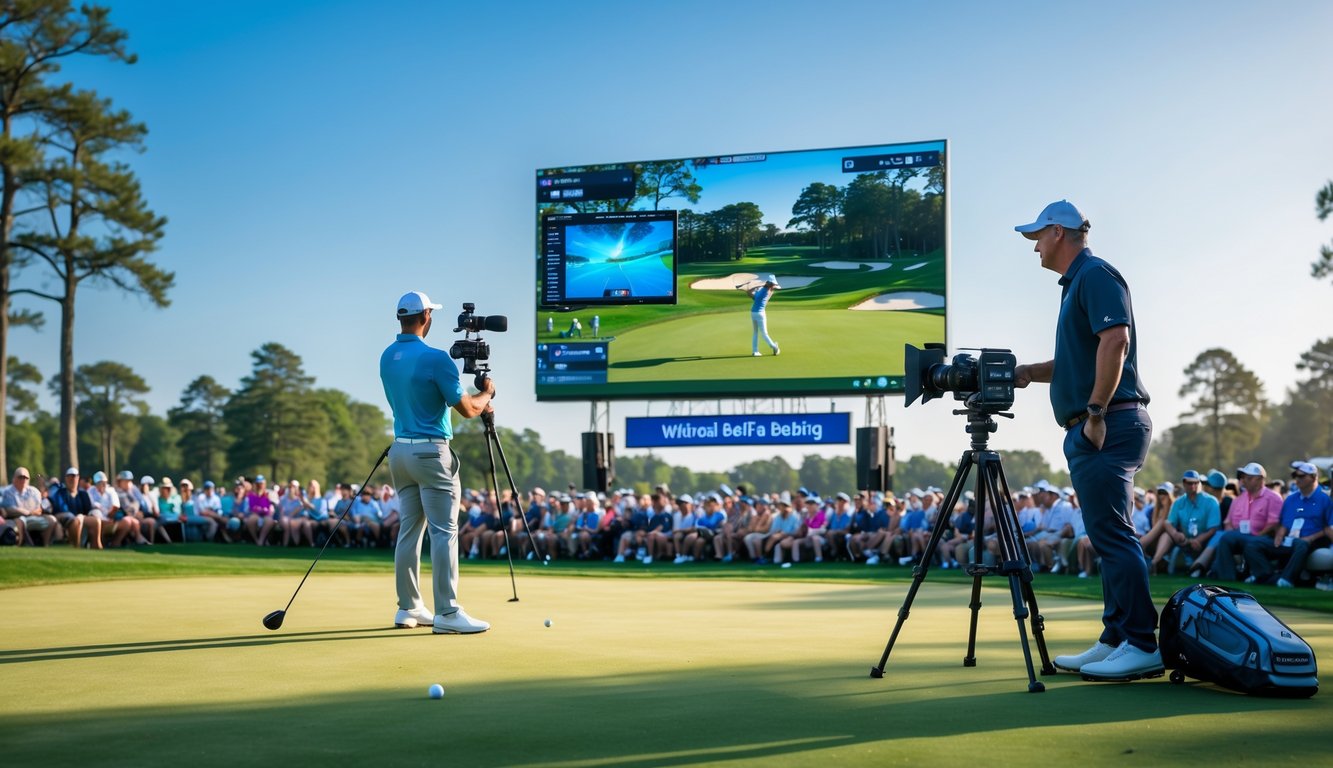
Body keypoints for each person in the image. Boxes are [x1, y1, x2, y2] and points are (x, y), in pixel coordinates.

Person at [1012, 200, 1160, 682]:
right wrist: (1029, 372)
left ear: (1059, 232)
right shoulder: (1076, 283)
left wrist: (1095, 412)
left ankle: (1142, 642)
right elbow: (1080, 358)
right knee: (1105, 535)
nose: (1034, 246)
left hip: (1107, 422)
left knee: (1113, 535)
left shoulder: (1094, 274)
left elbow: (1116, 341)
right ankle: (1116, 637)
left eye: (1038, 236)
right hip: (1097, 423)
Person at [380, 290, 495, 633]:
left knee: (409, 530)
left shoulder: (387, 356)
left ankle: (409, 608)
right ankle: (447, 613)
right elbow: (468, 409)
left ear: (400, 318)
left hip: (400, 452)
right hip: (431, 453)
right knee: (444, 531)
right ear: (426, 317)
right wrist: (487, 392)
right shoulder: (436, 359)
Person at [1239, 461, 1333, 588]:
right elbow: (1284, 524)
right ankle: (1267, 576)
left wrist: (1310, 538)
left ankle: (1286, 579)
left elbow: (1327, 528)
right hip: (1289, 539)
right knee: (1252, 544)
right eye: (1295, 476)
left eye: (1301, 476)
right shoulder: (1291, 499)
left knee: (1301, 544)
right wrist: (1279, 535)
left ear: (1313, 478)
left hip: (1311, 541)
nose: (1297, 479)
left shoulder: (1325, 499)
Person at [1199, 462, 1283, 581]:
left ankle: (1218, 572)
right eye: (1243, 478)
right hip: (1240, 536)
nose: (1244, 481)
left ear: (1260, 479)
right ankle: (1228, 577)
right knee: (1225, 538)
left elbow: (1273, 523)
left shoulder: (1273, 497)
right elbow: (1228, 522)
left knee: (1230, 539)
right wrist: (1232, 533)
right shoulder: (1238, 499)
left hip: (1263, 538)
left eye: (1248, 478)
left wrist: (1257, 536)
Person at [1149, 470, 1220, 574]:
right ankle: (1154, 563)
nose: (1193, 486)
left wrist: (1199, 539)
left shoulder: (1211, 501)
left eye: (1196, 483)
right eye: (1190, 483)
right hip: (1184, 540)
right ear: (1184, 483)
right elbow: (1169, 523)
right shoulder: (1178, 502)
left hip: (1205, 541)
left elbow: (1213, 528)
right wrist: (1175, 534)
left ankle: (1197, 567)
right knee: (1167, 535)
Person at [2, 467, 55, 546]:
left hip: (33, 517)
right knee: (21, 520)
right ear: (14, 478)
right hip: (15, 519)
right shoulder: (7, 492)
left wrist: (32, 513)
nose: (23, 480)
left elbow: (39, 509)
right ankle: (20, 544)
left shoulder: (34, 491)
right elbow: (10, 510)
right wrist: (28, 512)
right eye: (20, 477)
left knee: (52, 519)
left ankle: (45, 544)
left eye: (26, 478)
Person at [745, 274, 781, 357]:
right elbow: (754, 296)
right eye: (773, 284)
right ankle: (774, 347)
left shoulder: (763, 291)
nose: (774, 286)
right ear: (770, 284)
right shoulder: (767, 291)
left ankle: (755, 351)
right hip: (760, 314)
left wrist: (752, 288)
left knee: (755, 333)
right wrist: (756, 287)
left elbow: (751, 295)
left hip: (753, 313)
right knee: (764, 333)